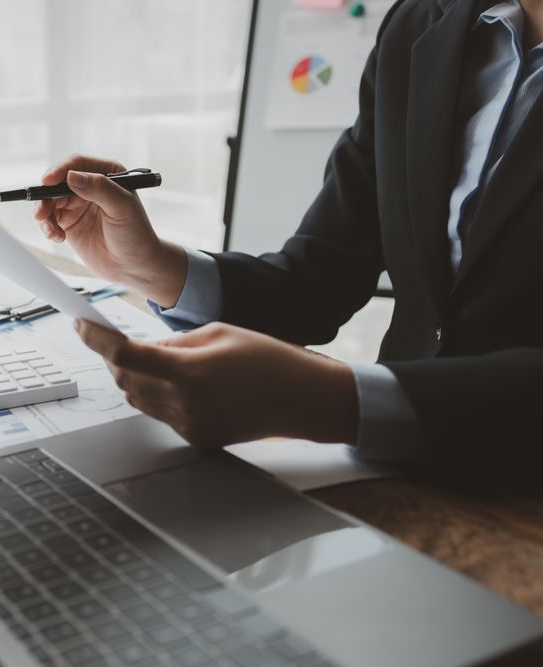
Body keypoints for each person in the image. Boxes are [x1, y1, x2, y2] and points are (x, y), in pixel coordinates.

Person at [36, 0, 543, 470]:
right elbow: (318, 279)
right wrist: (149, 265)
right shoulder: (421, 23)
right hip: (392, 478)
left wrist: (331, 401)